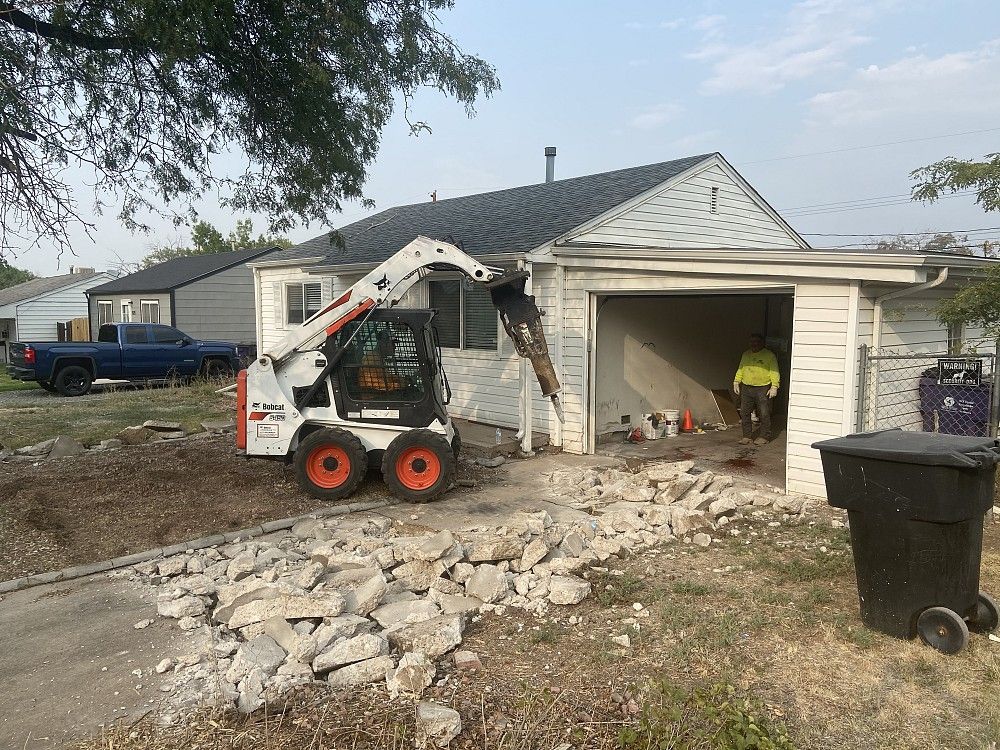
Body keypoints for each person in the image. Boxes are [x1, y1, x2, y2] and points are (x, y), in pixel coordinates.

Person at [733, 333, 780, 446]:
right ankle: (746, 436)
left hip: (763, 387)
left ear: (762, 343)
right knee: (744, 412)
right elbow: (741, 368)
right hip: (746, 387)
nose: (754, 344)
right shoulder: (746, 354)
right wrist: (736, 381)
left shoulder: (769, 356)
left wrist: (774, 386)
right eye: (752, 342)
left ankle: (764, 436)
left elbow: (774, 371)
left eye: (757, 342)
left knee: (764, 413)